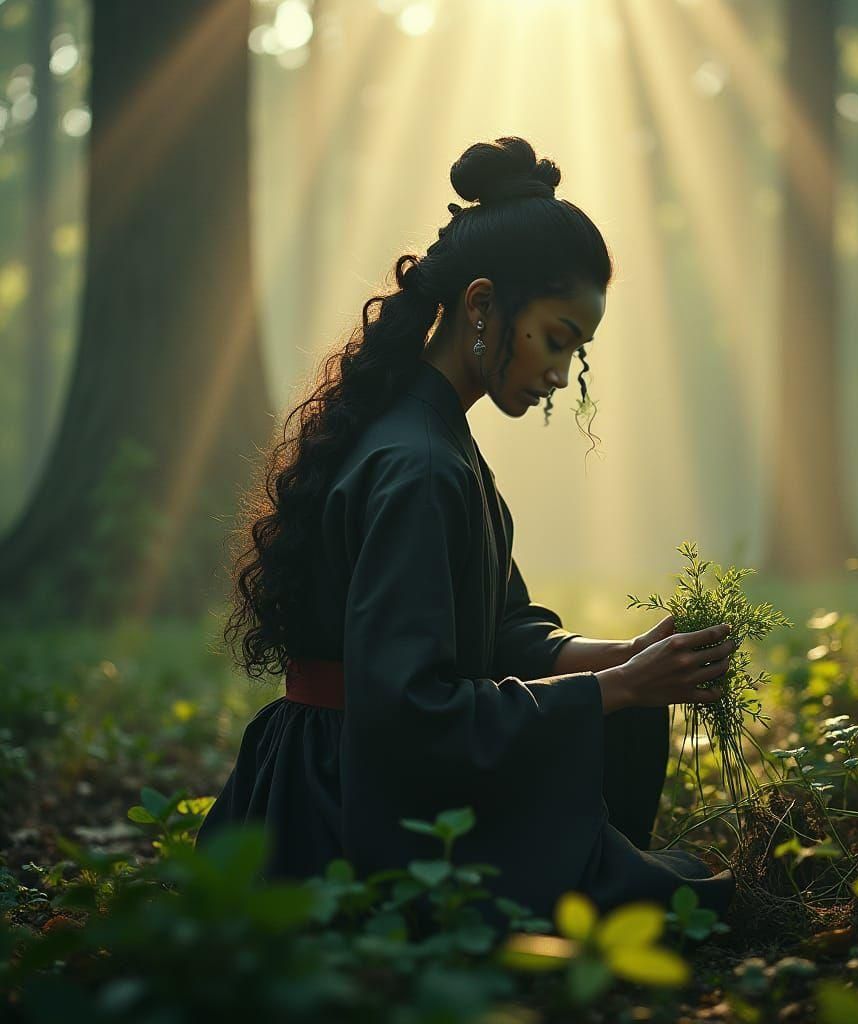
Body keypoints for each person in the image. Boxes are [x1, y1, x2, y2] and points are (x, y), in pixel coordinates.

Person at [195, 136, 736, 931]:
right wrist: (614, 690)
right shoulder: (419, 465)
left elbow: (502, 632)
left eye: (576, 352)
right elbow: (410, 710)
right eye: (557, 338)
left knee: (664, 853)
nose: (561, 374)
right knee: (692, 898)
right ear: (483, 306)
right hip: (350, 805)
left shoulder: (433, 439)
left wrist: (625, 663)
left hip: (367, 771)